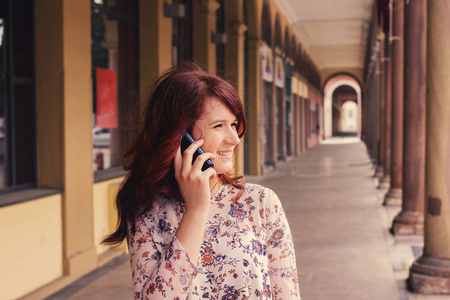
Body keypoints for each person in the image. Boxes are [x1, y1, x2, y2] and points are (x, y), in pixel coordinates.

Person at [103, 63, 301, 299]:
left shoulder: (260, 203)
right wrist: (196, 210)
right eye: (218, 126)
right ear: (181, 137)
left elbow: (286, 292)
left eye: (234, 125)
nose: (234, 139)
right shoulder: (146, 210)